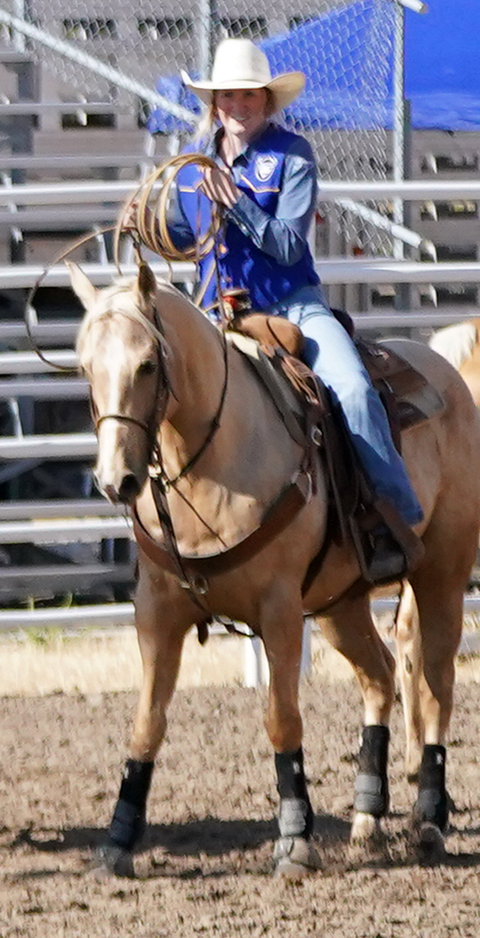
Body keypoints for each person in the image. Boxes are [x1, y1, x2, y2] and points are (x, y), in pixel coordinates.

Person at [167, 38, 423, 581]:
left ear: (267, 101)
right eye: (228, 96)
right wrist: (153, 212)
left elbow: (287, 245)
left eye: (250, 96)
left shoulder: (291, 156)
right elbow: (176, 234)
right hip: (213, 314)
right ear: (215, 103)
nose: (239, 106)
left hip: (291, 307)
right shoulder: (190, 167)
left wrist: (234, 203)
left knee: (352, 389)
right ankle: (168, 541)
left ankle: (390, 517)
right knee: (152, 396)